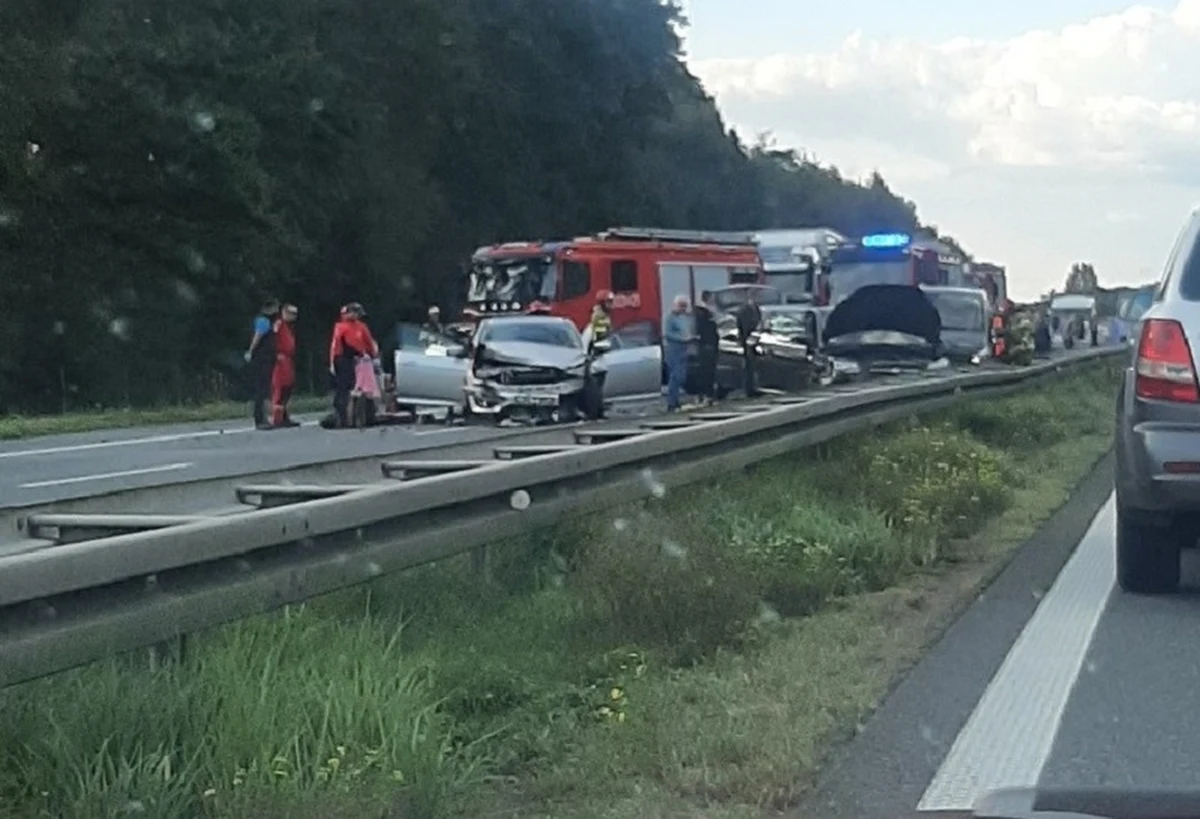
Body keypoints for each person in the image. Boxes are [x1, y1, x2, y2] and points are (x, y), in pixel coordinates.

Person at [329, 302, 380, 427]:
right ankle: (344, 418)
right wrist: (332, 362)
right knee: (345, 389)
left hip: (360, 361)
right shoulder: (341, 327)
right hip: (344, 360)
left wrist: (372, 356)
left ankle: (366, 415)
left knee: (363, 388)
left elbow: (368, 343)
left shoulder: (361, 327)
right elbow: (336, 347)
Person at [244, 298, 279, 430]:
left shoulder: (267, 320)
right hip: (262, 358)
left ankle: (263, 417)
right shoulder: (264, 320)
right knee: (261, 388)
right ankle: (260, 419)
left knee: (264, 388)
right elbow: (257, 336)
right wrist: (251, 351)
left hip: (265, 358)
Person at [270, 303, 301, 428]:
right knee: (280, 388)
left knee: (288, 387)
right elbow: (273, 339)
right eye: (291, 313)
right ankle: (277, 419)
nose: (293, 316)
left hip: (288, 360)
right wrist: (275, 354)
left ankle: (284, 416)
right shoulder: (279, 325)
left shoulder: (289, 327)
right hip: (280, 360)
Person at [663, 294, 694, 412]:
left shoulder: (684, 317)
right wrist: (682, 338)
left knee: (681, 376)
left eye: (684, 306)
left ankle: (676, 400)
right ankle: (672, 402)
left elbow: (687, 330)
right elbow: (668, 334)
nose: (683, 308)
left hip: (683, 349)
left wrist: (689, 337)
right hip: (673, 350)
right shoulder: (669, 317)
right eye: (681, 306)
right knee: (674, 376)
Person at [693, 290, 719, 405]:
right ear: (708, 298)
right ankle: (706, 396)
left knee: (707, 372)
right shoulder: (703, 312)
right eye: (712, 298)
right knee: (707, 372)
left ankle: (705, 396)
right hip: (707, 345)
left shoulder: (704, 312)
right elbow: (706, 329)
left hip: (707, 345)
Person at [735, 290, 762, 397]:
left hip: (757, 340)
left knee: (754, 365)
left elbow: (759, 320)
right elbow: (744, 326)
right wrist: (748, 338)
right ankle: (748, 389)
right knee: (748, 365)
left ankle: (754, 387)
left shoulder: (756, 308)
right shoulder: (744, 310)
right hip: (748, 340)